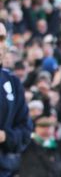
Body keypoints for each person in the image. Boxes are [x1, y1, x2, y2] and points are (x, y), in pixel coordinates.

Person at [0, 21, 32, 177]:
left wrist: (5, 136)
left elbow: (25, 130)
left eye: (3, 38)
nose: (3, 45)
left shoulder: (12, 82)